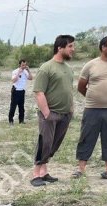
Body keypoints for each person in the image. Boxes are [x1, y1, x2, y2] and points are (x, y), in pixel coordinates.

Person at [73, 36, 107, 179]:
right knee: (86, 137)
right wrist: (95, 97)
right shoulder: (91, 65)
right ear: (103, 47)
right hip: (92, 109)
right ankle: (81, 169)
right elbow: (81, 86)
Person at [31, 35, 76, 187]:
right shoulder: (46, 68)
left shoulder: (68, 69)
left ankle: (44, 172)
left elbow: (68, 90)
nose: (73, 50)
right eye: (70, 46)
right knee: (45, 143)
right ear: (60, 48)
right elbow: (39, 92)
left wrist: (71, 109)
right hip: (50, 114)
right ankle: (36, 174)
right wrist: (47, 114)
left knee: (54, 144)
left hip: (65, 114)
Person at [9, 59, 32, 124]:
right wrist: (19, 72)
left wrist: (28, 70)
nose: (24, 66)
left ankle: (21, 121)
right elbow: (13, 80)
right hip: (15, 90)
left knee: (21, 107)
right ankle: (11, 121)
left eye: (25, 65)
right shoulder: (15, 71)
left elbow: (31, 78)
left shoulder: (25, 71)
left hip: (22, 91)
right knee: (13, 106)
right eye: (23, 65)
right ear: (19, 65)